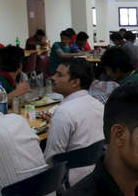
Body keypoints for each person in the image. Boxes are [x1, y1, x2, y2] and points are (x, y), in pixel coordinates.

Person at [42, 58, 104, 186]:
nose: (53, 78)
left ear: (75, 82)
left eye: (59, 75)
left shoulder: (63, 113)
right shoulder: (98, 104)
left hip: (70, 181)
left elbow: (52, 159)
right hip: (96, 173)